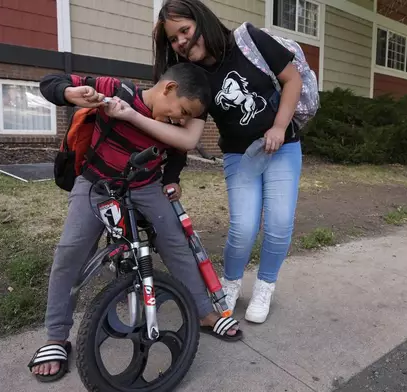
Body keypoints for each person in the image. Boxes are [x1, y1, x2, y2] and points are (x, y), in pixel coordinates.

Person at [28, 63, 242, 384]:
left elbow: (177, 151)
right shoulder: (116, 89)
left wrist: (171, 178)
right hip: (97, 182)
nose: (180, 121)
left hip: (145, 185)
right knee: (71, 251)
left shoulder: (171, 120)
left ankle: (204, 312)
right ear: (168, 88)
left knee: (176, 243)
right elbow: (50, 81)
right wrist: (71, 93)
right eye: (181, 111)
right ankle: (56, 337)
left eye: (186, 119)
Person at [107, 0, 304, 324]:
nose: (181, 42)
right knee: (242, 228)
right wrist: (168, 169)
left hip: (282, 147)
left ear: (202, 21)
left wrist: (280, 127)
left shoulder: (249, 40)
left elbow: (292, 80)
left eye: (184, 30)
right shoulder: (194, 77)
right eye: (173, 39)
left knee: (280, 225)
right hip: (240, 155)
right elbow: (185, 136)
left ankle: (266, 285)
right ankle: (231, 282)